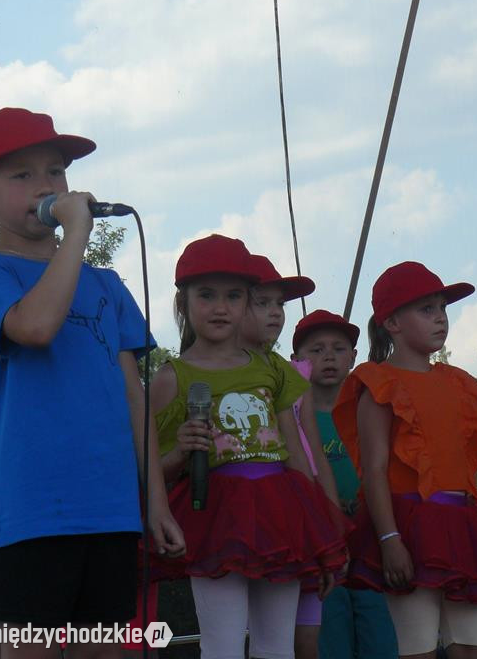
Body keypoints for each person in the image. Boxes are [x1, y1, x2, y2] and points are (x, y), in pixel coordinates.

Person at [0, 107, 184, 647]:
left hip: (111, 511)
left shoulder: (106, 285)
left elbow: (134, 397)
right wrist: (76, 235)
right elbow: (34, 327)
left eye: (55, 170)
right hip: (32, 511)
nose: (47, 186)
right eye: (22, 175)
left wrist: (154, 501)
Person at [151, 235, 347, 659]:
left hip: (281, 514)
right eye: (206, 295)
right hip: (214, 518)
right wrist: (180, 452)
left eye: (233, 296)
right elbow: (151, 471)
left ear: (246, 303)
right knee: (221, 646)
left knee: (277, 648)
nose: (220, 307)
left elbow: (295, 452)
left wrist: (323, 537)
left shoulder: (274, 368)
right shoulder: (171, 377)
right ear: (182, 302)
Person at [334, 261, 477, 659]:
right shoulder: (378, 383)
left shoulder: (460, 383)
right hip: (410, 528)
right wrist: (389, 539)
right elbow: (374, 470)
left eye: (442, 309)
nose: (440, 319)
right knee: (417, 649)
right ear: (393, 323)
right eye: (426, 310)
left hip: (461, 525)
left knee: (471, 649)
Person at [238, 254, 341, 659]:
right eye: (261, 303)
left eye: (279, 304)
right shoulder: (221, 373)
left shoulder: (298, 375)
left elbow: (316, 454)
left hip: (304, 518)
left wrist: (330, 528)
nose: (274, 314)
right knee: (265, 637)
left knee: (307, 642)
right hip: (258, 518)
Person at [291, 310, 398, 659]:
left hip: (371, 541)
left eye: (339, 348)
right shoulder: (290, 420)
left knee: (380, 638)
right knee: (329, 637)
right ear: (297, 361)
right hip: (321, 546)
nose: (328, 357)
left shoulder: (371, 413)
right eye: (316, 349)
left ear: (353, 357)